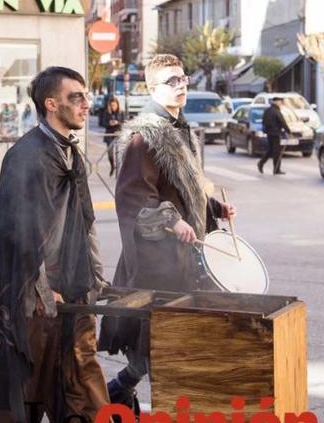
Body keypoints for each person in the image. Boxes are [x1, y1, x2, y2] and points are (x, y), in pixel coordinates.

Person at [97, 54, 235, 413]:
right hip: (159, 262)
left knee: (165, 345)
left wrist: (214, 209)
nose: (181, 86)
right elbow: (133, 198)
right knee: (161, 345)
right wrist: (171, 220)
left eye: (183, 79)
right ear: (153, 88)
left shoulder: (180, 127)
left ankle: (116, 393)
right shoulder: (146, 136)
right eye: (171, 81)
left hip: (183, 262)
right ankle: (118, 397)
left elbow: (183, 188)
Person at [0, 67, 109, 423]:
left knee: (78, 379)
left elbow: (84, 220)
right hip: (32, 300)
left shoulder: (70, 153)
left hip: (70, 291)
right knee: (17, 392)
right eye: (75, 97)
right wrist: (44, 292)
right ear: (51, 104)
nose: (85, 104)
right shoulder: (27, 155)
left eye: (85, 96)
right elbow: (21, 234)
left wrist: (95, 276)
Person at [257, 97, 292, 175]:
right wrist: (288, 131)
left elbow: (263, 121)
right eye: (280, 102)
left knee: (271, 150)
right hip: (275, 133)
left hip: (269, 133)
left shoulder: (267, 110)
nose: (281, 103)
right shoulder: (276, 111)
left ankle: (261, 163)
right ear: (276, 102)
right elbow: (282, 122)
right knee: (277, 152)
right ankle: (276, 169)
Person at [99, 96, 125, 176]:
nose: (113, 107)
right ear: (109, 105)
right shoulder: (106, 112)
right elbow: (102, 123)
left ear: (117, 105)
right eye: (112, 105)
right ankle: (112, 166)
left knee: (120, 153)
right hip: (109, 133)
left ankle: (119, 170)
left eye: (115, 105)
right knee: (110, 153)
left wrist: (118, 123)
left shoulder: (121, 112)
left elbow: (125, 123)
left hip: (118, 134)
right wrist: (109, 123)